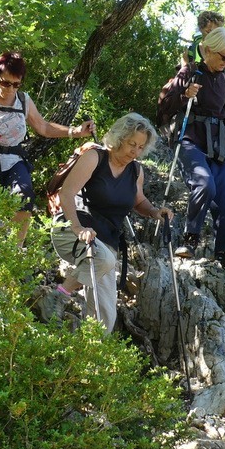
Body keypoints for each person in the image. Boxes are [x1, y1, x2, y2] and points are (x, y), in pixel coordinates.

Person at [157, 27, 225, 279]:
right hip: (190, 140)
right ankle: (191, 237)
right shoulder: (190, 72)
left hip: (218, 146)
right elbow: (165, 105)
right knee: (204, 184)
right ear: (207, 50)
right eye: (224, 56)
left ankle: (224, 258)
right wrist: (185, 95)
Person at [51, 113, 173, 333]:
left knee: (105, 317)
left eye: (140, 147)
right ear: (119, 138)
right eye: (131, 144)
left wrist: (155, 212)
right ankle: (57, 297)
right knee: (104, 259)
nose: (135, 152)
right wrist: (78, 227)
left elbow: (139, 201)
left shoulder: (136, 170)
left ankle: (88, 355)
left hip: (105, 241)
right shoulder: (94, 158)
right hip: (71, 229)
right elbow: (67, 193)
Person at [0, 51, 95, 243]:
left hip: (12, 160)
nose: (10, 89)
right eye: (5, 83)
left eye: (16, 84)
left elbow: (43, 127)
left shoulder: (23, 100)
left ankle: (14, 251)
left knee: (25, 200)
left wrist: (76, 132)